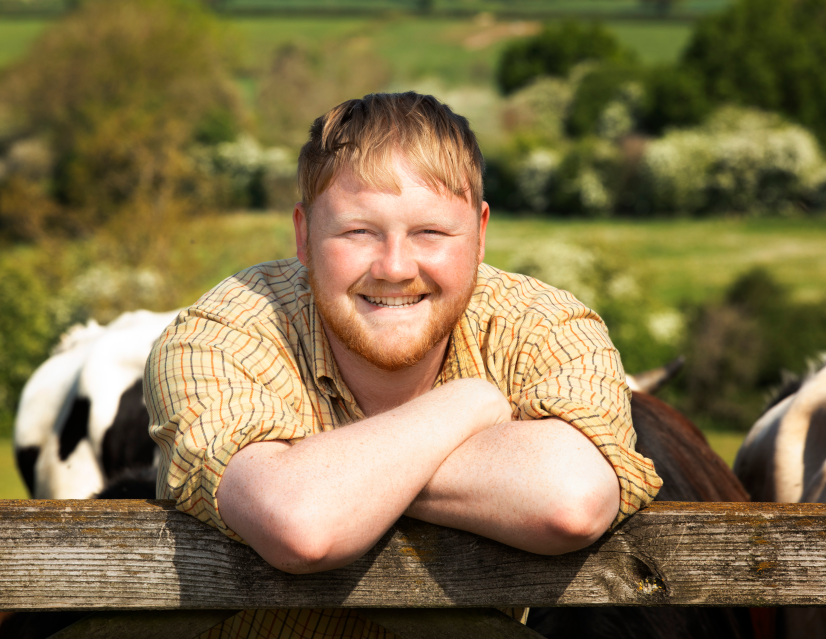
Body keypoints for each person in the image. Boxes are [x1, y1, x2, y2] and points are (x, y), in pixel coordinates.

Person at [144, 91, 662, 638]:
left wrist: (337, 476)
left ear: (480, 234)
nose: (394, 268)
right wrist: (472, 403)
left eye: (430, 232)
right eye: (358, 232)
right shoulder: (220, 334)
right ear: (304, 235)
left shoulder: (544, 327)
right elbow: (302, 524)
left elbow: (571, 501)